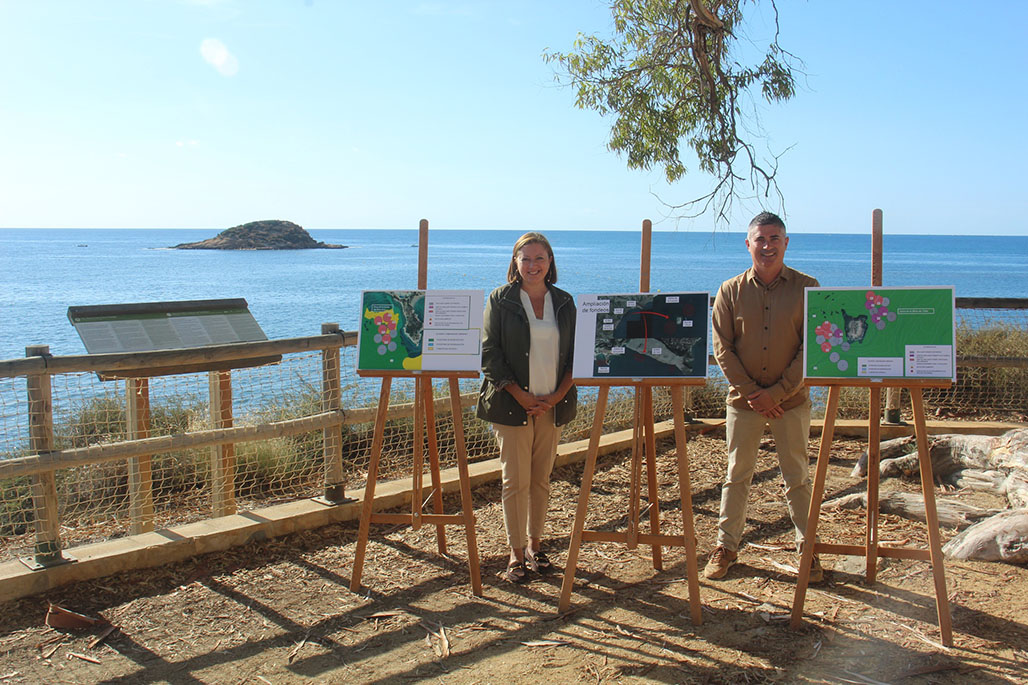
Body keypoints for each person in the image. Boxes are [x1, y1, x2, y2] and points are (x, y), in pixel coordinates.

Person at [705, 211, 823, 582]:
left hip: (792, 403)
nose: (767, 246)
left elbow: (812, 346)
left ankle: (808, 549)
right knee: (736, 475)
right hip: (744, 404)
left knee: (797, 476)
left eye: (774, 239)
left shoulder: (808, 288)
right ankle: (726, 548)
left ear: (786, 243)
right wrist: (755, 394)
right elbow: (722, 349)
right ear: (748, 244)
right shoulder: (730, 291)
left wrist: (778, 393)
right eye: (760, 239)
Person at [477, 232, 577, 584]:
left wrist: (557, 396)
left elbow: (577, 355)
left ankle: (535, 546)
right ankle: (515, 553)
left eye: (540, 258)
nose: (533, 265)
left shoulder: (564, 302)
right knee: (515, 481)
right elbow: (489, 353)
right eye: (526, 259)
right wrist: (520, 395)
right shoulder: (500, 299)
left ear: (550, 262)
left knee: (540, 480)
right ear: (515, 263)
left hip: (552, 406)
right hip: (511, 405)